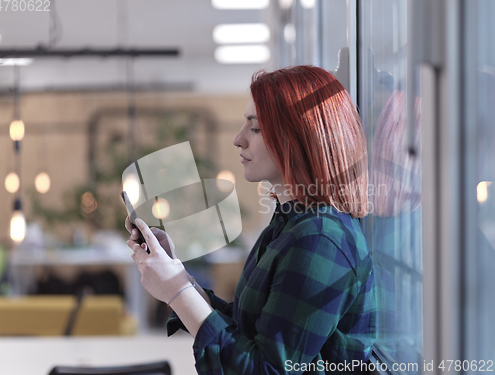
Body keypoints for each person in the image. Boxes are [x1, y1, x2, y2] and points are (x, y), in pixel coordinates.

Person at [126, 65, 377, 374]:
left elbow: (264, 369)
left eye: (255, 128)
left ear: (298, 137)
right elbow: (251, 329)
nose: (238, 139)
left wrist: (177, 292)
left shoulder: (320, 240)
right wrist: (178, 275)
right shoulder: (289, 224)